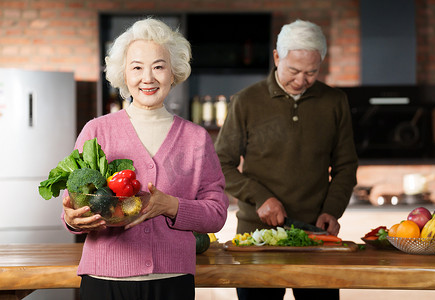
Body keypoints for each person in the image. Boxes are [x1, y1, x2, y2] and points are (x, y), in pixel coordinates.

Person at [62, 17, 229, 300]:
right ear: (123, 74)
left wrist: (172, 206)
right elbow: (72, 202)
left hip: (172, 281)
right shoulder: (97, 130)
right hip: (104, 279)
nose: (147, 78)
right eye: (137, 67)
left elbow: (217, 213)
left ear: (173, 72)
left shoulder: (196, 138)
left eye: (159, 67)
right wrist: (72, 219)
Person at [214, 19, 358, 300]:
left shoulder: (335, 102)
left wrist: (332, 210)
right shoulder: (246, 101)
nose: (301, 80)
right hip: (257, 236)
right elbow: (220, 164)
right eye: (294, 70)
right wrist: (259, 197)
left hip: (317, 235)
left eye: (311, 72)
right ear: (277, 57)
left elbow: (345, 166)